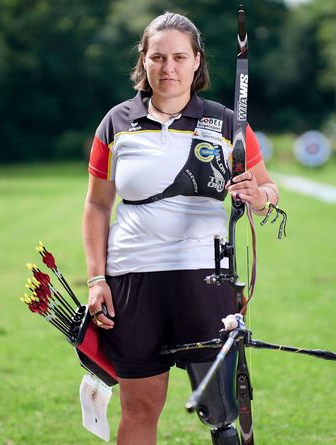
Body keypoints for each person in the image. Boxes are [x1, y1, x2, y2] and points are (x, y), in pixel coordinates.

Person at [82, 11, 279, 445]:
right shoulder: (116, 123)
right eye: (158, 57)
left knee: (222, 412)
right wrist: (97, 278)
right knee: (139, 409)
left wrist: (259, 195)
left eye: (178, 57)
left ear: (196, 61)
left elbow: (267, 191)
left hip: (204, 278)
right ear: (144, 61)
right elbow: (97, 206)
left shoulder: (227, 123)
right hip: (133, 280)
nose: (168, 68)